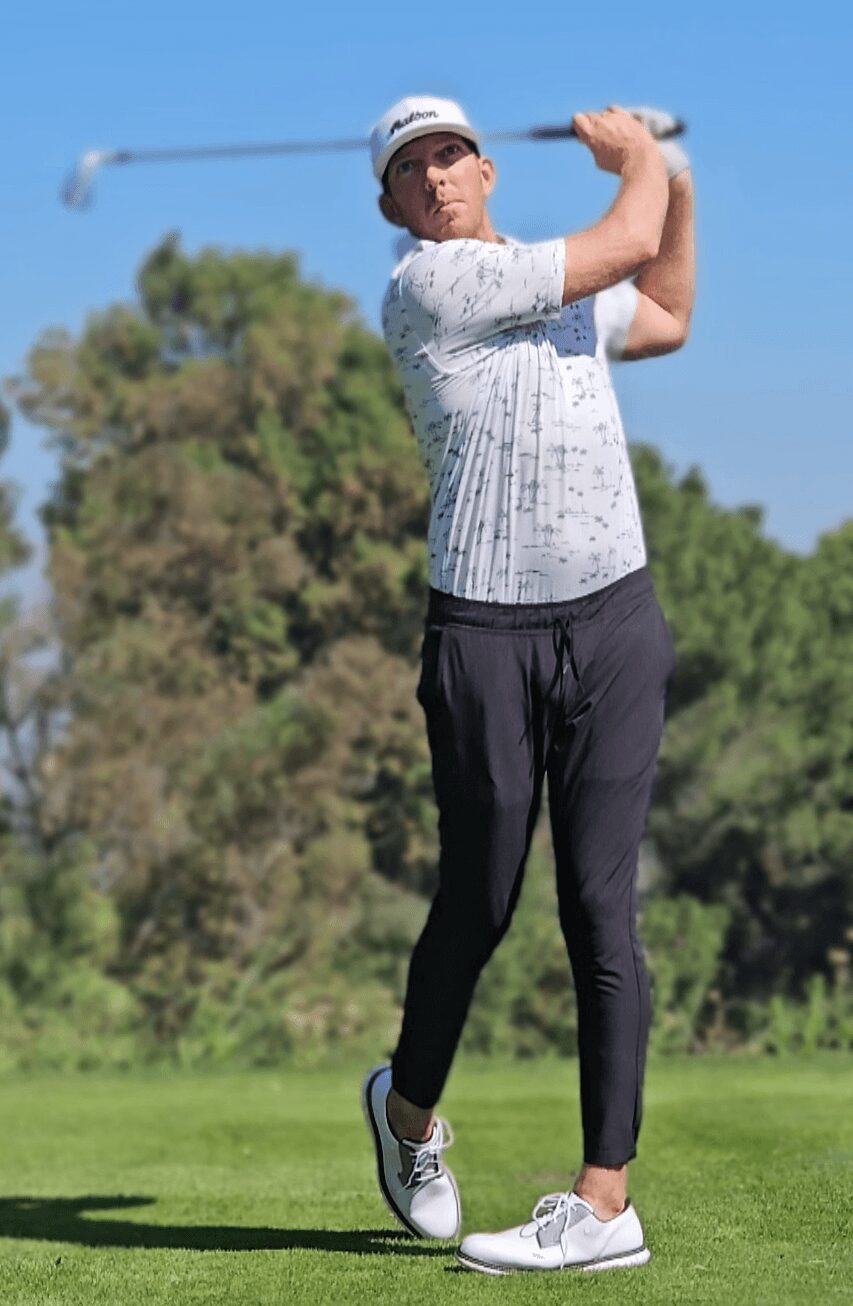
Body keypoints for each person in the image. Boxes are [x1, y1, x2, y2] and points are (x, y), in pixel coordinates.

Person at [360, 93, 695, 1275]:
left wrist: (677, 183)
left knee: (600, 908)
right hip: (483, 629)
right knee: (480, 899)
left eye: (451, 155)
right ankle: (407, 1115)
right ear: (392, 206)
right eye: (411, 169)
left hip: (612, 618)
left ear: (488, 169)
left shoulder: (562, 294)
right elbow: (619, 241)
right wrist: (642, 159)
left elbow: (663, 309)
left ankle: (604, 1202)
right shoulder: (428, 287)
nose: (436, 177)